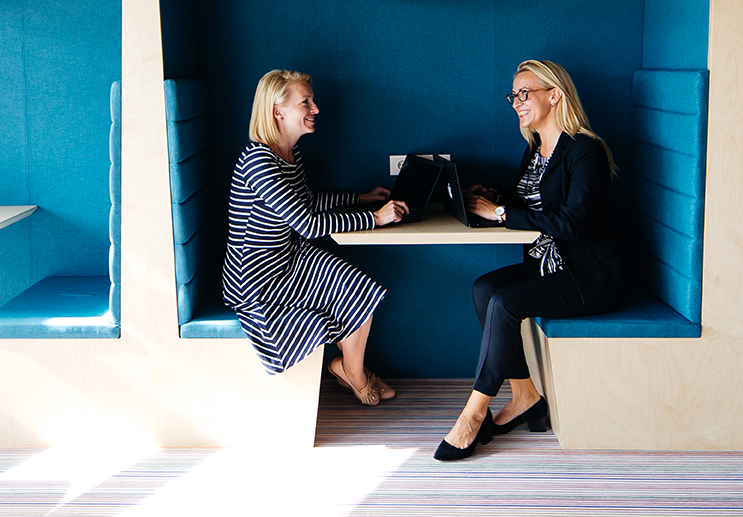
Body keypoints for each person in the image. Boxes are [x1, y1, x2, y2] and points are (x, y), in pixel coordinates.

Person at [435, 59, 626, 460]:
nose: (516, 102)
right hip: (547, 265)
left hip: (589, 275)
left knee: (506, 302)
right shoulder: (537, 149)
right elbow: (531, 197)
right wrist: (491, 196)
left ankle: (474, 412)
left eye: (525, 93)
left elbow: (571, 222)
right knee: (485, 289)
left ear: (554, 95)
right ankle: (525, 396)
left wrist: (500, 214)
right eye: (513, 95)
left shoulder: (585, 150)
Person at [222, 69, 407, 406]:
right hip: (257, 278)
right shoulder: (258, 161)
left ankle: (348, 368)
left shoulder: (290, 155)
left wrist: (360, 198)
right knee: (349, 294)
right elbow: (306, 223)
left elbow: (306, 201)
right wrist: (376, 218)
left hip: (288, 259)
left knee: (358, 290)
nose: (316, 108)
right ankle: (355, 375)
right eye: (305, 102)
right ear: (278, 112)